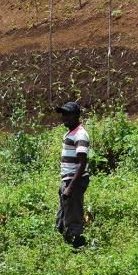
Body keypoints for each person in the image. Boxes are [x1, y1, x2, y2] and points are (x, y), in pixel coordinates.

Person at [55, 101, 90, 249]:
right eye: (63, 114)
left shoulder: (80, 134)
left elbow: (82, 164)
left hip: (74, 181)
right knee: (64, 213)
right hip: (68, 180)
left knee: (73, 215)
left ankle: (76, 246)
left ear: (76, 116)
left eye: (68, 114)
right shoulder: (71, 132)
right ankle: (65, 240)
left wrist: (70, 188)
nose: (64, 117)